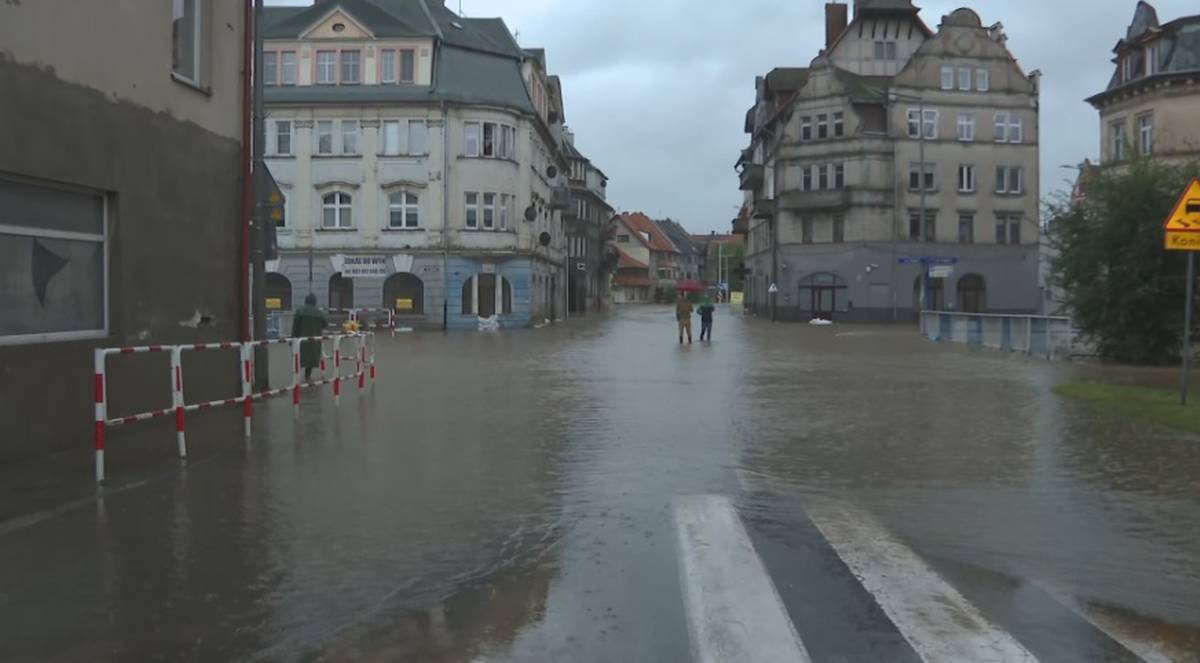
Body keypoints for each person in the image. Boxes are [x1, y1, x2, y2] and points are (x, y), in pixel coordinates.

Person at [291, 294, 328, 381]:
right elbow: (325, 324)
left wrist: (293, 338)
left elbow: (295, 326)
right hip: (314, 341)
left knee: (298, 358)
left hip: (301, 340)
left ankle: (296, 377)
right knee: (311, 360)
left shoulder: (300, 311)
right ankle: (307, 376)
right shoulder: (319, 313)